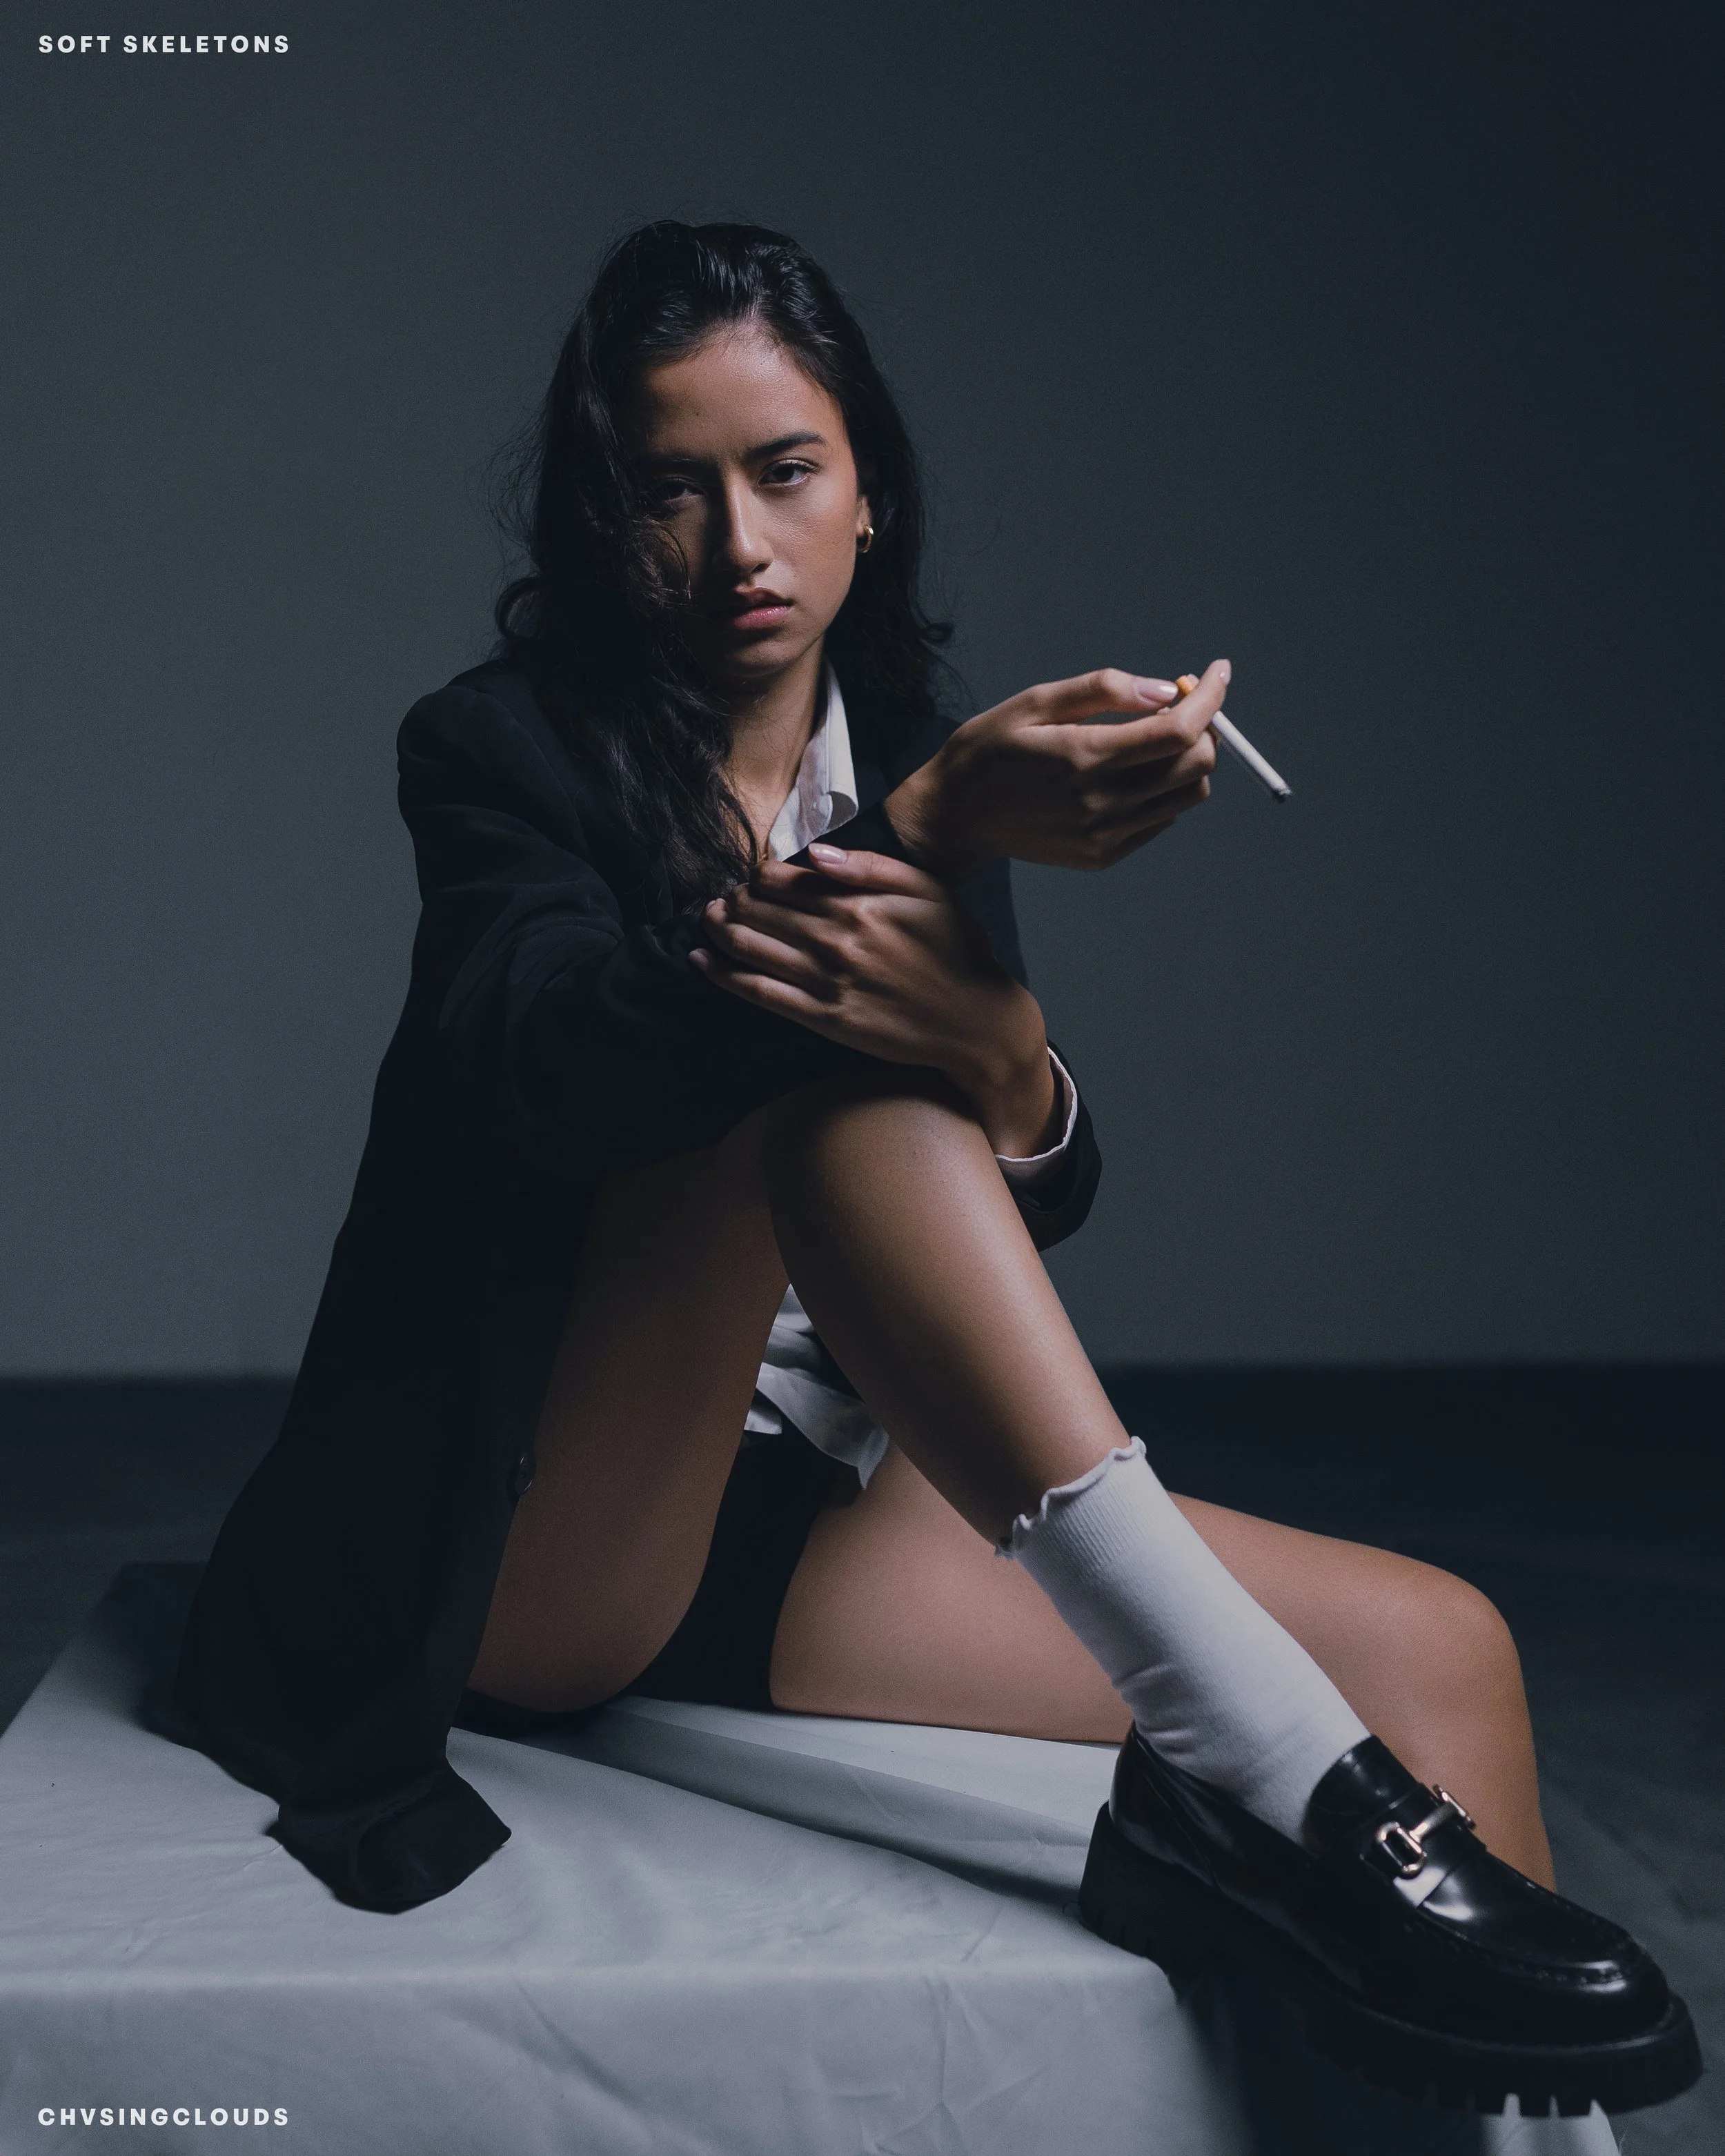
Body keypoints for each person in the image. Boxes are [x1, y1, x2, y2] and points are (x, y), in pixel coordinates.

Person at [174, 220, 1697, 2119]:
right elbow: (546, 1068)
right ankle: (1261, 1764)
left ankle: (1386, 1914)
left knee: (1439, 1652)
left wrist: (1009, 1063)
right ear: (600, 523)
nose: (736, 544)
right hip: (538, 1525)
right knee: (828, 1084)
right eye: (671, 490)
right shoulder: (500, 753)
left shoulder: (891, 740)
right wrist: (915, 843)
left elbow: (997, 1189)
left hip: (809, 1507)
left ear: (868, 492)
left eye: (784, 472)